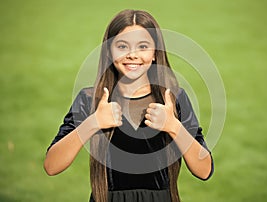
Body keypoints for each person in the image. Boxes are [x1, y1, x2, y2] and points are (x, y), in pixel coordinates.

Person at [44, 9, 214, 202]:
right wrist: (93, 122)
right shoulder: (91, 99)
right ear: (109, 51)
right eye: (122, 46)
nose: (133, 55)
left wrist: (173, 126)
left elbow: (204, 169)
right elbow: (52, 165)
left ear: (155, 53)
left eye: (142, 46)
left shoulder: (173, 98)